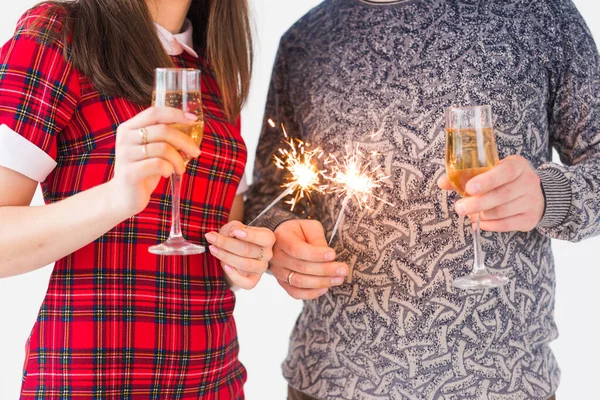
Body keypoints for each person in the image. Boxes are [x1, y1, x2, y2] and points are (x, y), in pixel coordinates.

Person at [245, 0, 600, 399]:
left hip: (503, 382)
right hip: (333, 380)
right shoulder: (303, 40)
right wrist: (279, 241)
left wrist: (548, 195)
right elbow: (270, 195)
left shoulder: (541, 14)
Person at [0, 0, 275, 398]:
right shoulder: (60, 32)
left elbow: (221, 228)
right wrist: (116, 197)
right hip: (93, 380)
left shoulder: (213, 66)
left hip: (214, 378)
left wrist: (247, 253)